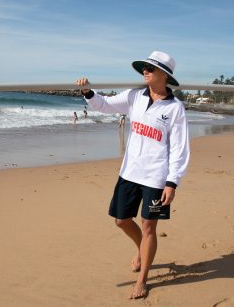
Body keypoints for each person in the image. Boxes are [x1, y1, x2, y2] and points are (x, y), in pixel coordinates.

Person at [76, 51, 190, 299]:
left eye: (151, 68)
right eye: (144, 68)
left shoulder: (175, 109)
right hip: (129, 173)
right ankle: (141, 249)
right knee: (121, 220)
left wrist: (172, 183)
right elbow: (105, 105)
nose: (145, 71)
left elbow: (180, 149)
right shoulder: (134, 96)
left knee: (149, 227)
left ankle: (143, 279)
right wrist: (88, 92)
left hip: (157, 179)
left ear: (164, 75)